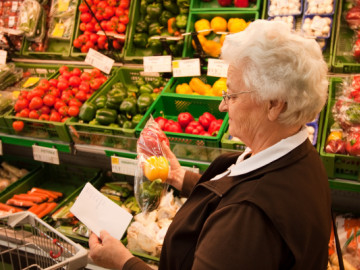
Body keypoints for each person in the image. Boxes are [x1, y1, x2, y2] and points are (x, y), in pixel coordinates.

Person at [89, 19, 332, 270]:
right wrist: (181, 177)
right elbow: (237, 188)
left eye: (232, 95)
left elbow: (242, 206)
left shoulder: (246, 218)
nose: (222, 106)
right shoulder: (300, 153)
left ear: (274, 105)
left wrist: (123, 262)